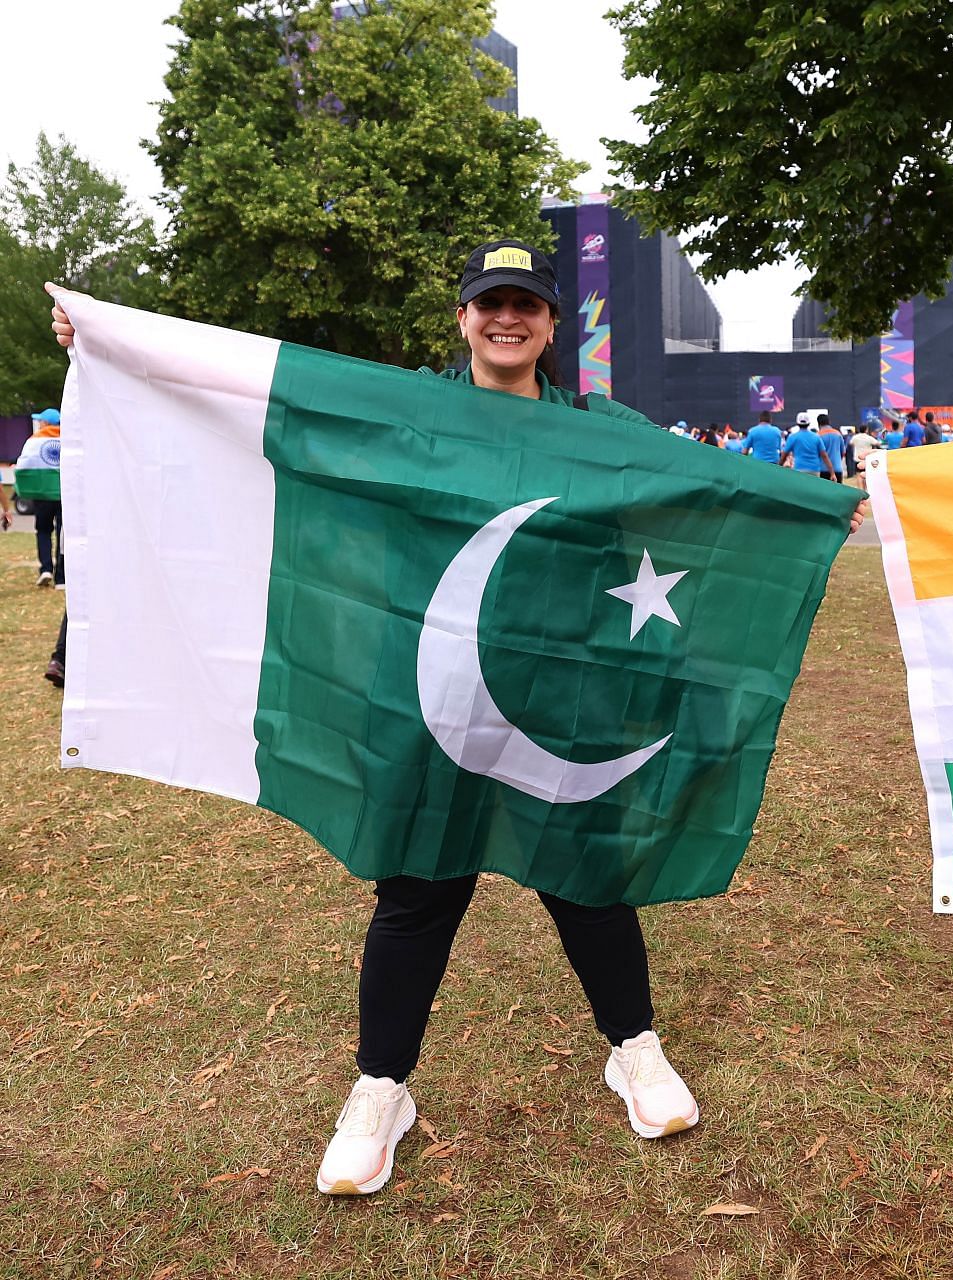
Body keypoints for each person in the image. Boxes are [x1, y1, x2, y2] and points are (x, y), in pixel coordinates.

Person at [48, 245, 863, 1198]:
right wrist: (111, 345)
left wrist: (811, 504)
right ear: (464, 317)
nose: (506, 319)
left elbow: (709, 487)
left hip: (568, 700)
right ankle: (381, 1089)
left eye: (526, 305)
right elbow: (269, 405)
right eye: (490, 304)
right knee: (417, 891)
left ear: (554, 326)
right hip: (431, 699)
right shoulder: (412, 417)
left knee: (589, 880)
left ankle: (633, 1049)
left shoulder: (606, 431)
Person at [17, 407, 63, 587]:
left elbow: (23, 464)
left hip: (42, 495)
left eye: (41, 420)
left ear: (45, 423)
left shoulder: (35, 441)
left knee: (43, 531)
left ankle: (45, 569)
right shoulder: (69, 438)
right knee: (63, 535)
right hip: (63, 496)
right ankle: (62, 578)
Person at [782, 411, 832, 479]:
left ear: (797, 423)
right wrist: (832, 473)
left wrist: (778, 467)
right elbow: (824, 456)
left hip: (799, 469)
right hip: (814, 469)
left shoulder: (792, 437)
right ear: (809, 423)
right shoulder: (816, 437)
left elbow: (784, 455)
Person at [847, 421, 880, 490]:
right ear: (866, 430)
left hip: (857, 458)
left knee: (858, 475)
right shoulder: (868, 437)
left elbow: (850, 443)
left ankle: (860, 489)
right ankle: (865, 490)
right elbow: (877, 443)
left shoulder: (855, 437)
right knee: (866, 475)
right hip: (866, 459)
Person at [816, 411, 847, 482]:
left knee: (823, 492)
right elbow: (843, 452)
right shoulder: (838, 434)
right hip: (837, 468)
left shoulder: (818, 435)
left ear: (818, 423)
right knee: (838, 492)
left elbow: (816, 453)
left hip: (823, 469)